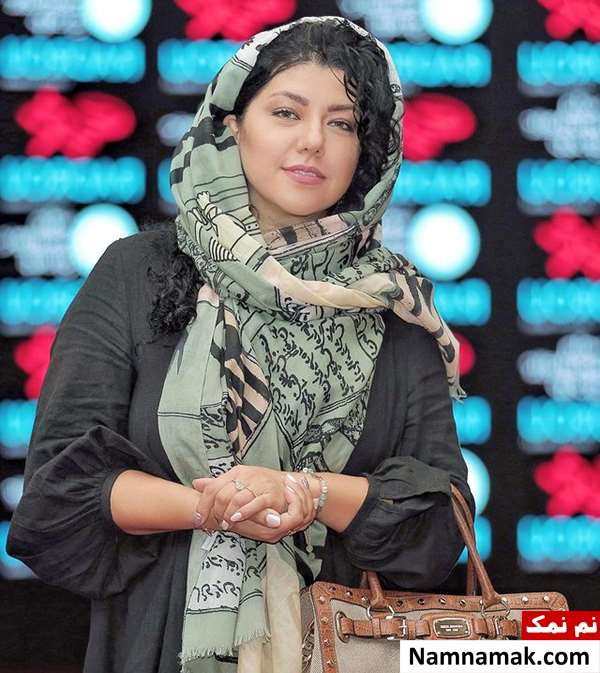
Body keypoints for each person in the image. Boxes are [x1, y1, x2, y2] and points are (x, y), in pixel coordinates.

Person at [7, 15, 475, 673]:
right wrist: (210, 506)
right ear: (231, 124)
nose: (313, 141)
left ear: (367, 149)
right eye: (287, 112)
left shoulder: (391, 302)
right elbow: (59, 492)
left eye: (342, 123)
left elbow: (441, 523)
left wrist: (307, 492)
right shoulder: (138, 274)